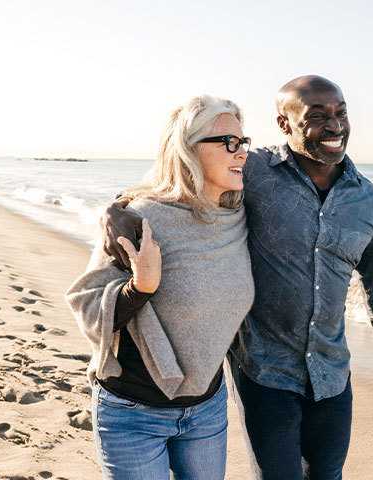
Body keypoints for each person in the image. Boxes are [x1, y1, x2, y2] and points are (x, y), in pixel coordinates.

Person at [101, 75, 373, 480]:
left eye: (340, 113)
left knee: (328, 475)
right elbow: (182, 179)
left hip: (332, 374)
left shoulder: (366, 198)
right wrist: (117, 206)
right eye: (316, 115)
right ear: (284, 124)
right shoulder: (253, 170)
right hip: (263, 372)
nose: (334, 125)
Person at [65, 95, 255, 480]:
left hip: (207, 408)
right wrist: (140, 287)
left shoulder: (240, 215)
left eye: (243, 141)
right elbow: (85, 305)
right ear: (187, 150)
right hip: (133, 411)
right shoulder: (142, 218)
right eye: (228, 143)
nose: (242, 153)